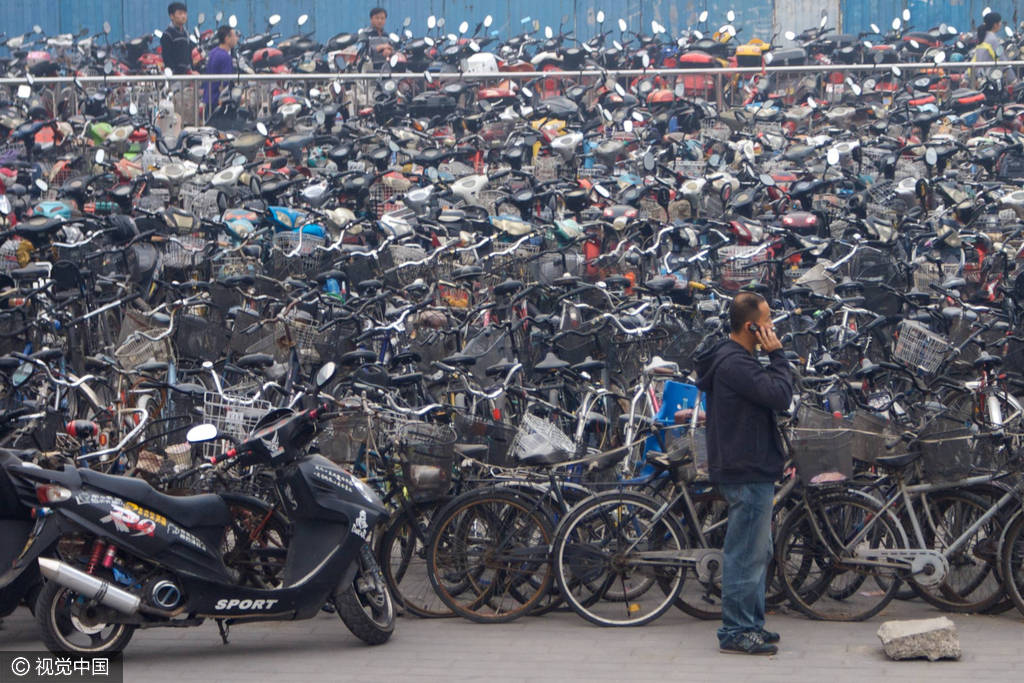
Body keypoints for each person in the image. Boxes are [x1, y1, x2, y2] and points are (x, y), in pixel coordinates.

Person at [695, 292, 793, 656]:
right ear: (752, 325)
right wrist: (777, 354)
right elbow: (780, 394)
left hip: (747, 465)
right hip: (748, 467)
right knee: (745, 554)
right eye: (767, 320)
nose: (772, 326)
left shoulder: (734, 358)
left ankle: (752, 623)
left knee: (757, 550)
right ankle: (736, 631)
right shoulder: (737, 364)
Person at [204, 26, 236, 113]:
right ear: (227, 39)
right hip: (218, 101)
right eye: (235, 36)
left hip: (208, 99)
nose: (236, 38)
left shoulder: (213, 52)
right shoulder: (226, 57)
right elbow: (226, 83)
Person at [160, 2, 192, 75]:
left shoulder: (186, 34)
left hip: (187, 74)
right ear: (172, 16)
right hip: (175, 76)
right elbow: (167, 57)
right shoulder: (168, 34)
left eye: (185, 13)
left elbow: (189, 55)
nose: (183, 16)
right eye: (180, 13)